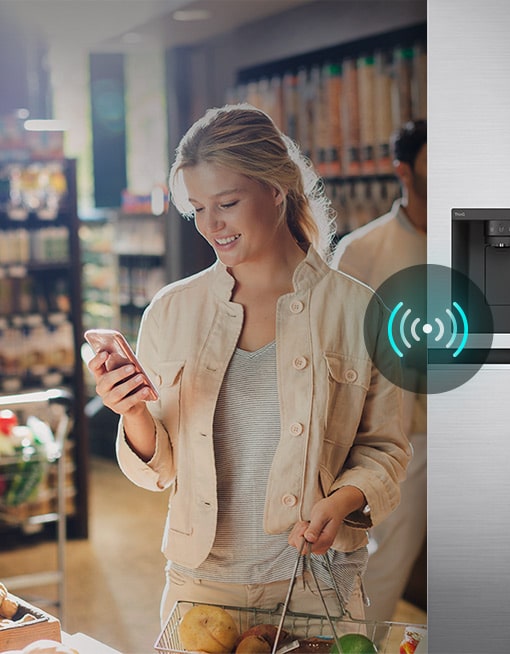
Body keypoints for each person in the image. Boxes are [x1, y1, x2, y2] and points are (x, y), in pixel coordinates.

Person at [87, 103, 411, 625]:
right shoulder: (171, 311)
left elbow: (386, 450)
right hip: (200, 586)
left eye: (228, 203)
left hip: (317, 587)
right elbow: (161, 470)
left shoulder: (359, 310)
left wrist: (342, 501)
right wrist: (132, 413)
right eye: (197, 209)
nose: (211, 226)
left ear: (275, 189)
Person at [331, 119, 427, 623]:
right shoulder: (363, 251)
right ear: (404, 172)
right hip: (403, 440)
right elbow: (337, 348)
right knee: (384, 564)